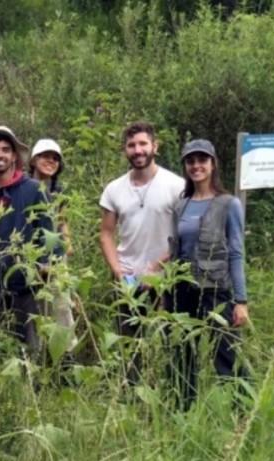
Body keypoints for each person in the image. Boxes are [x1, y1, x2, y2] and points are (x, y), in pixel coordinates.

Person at [166, 139, 249, 410]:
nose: (196, 166)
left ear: (213, 164)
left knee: (226, 355)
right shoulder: (181, 205)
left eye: (202, 160)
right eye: (190, 161)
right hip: (182, 291)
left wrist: (241, 300)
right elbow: (175, 250)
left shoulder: (228, 203)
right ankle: (183, 412)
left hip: (216, 292)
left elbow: (236, 253)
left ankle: (243, 415)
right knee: (182, 355)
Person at [99, 122, 184, 385]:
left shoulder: (176, 186)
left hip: (166, 278)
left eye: (143, 144)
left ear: (154, 146)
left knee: (168, 340)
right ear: (125, 150)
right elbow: (106, 233)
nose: (138, 150)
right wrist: (116, 267)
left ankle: (170, 393)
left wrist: (157, 267)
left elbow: (185, 235)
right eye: (132, 145)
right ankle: (131, 399)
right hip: (128, 279)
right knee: (129, 345)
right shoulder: (114, 189)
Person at [0, 126, 63, 356]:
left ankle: (34, 391)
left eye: (5, 150)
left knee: (31, 350)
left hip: (29, 288)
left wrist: (44, 266)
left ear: (14, 156)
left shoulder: (34, 190)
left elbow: (49, 234)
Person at [28, 138, 77, 352]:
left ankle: (66, 353)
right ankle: (38, 351)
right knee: (35, 305)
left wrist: (67, 242)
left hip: (56, 256)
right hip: (30, 255)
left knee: (61, 305)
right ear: (33, 159)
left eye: (55, 158)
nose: (50, 161)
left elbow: (62, 219)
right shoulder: (25, 186)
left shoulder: (59, 189)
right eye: (45, 156)